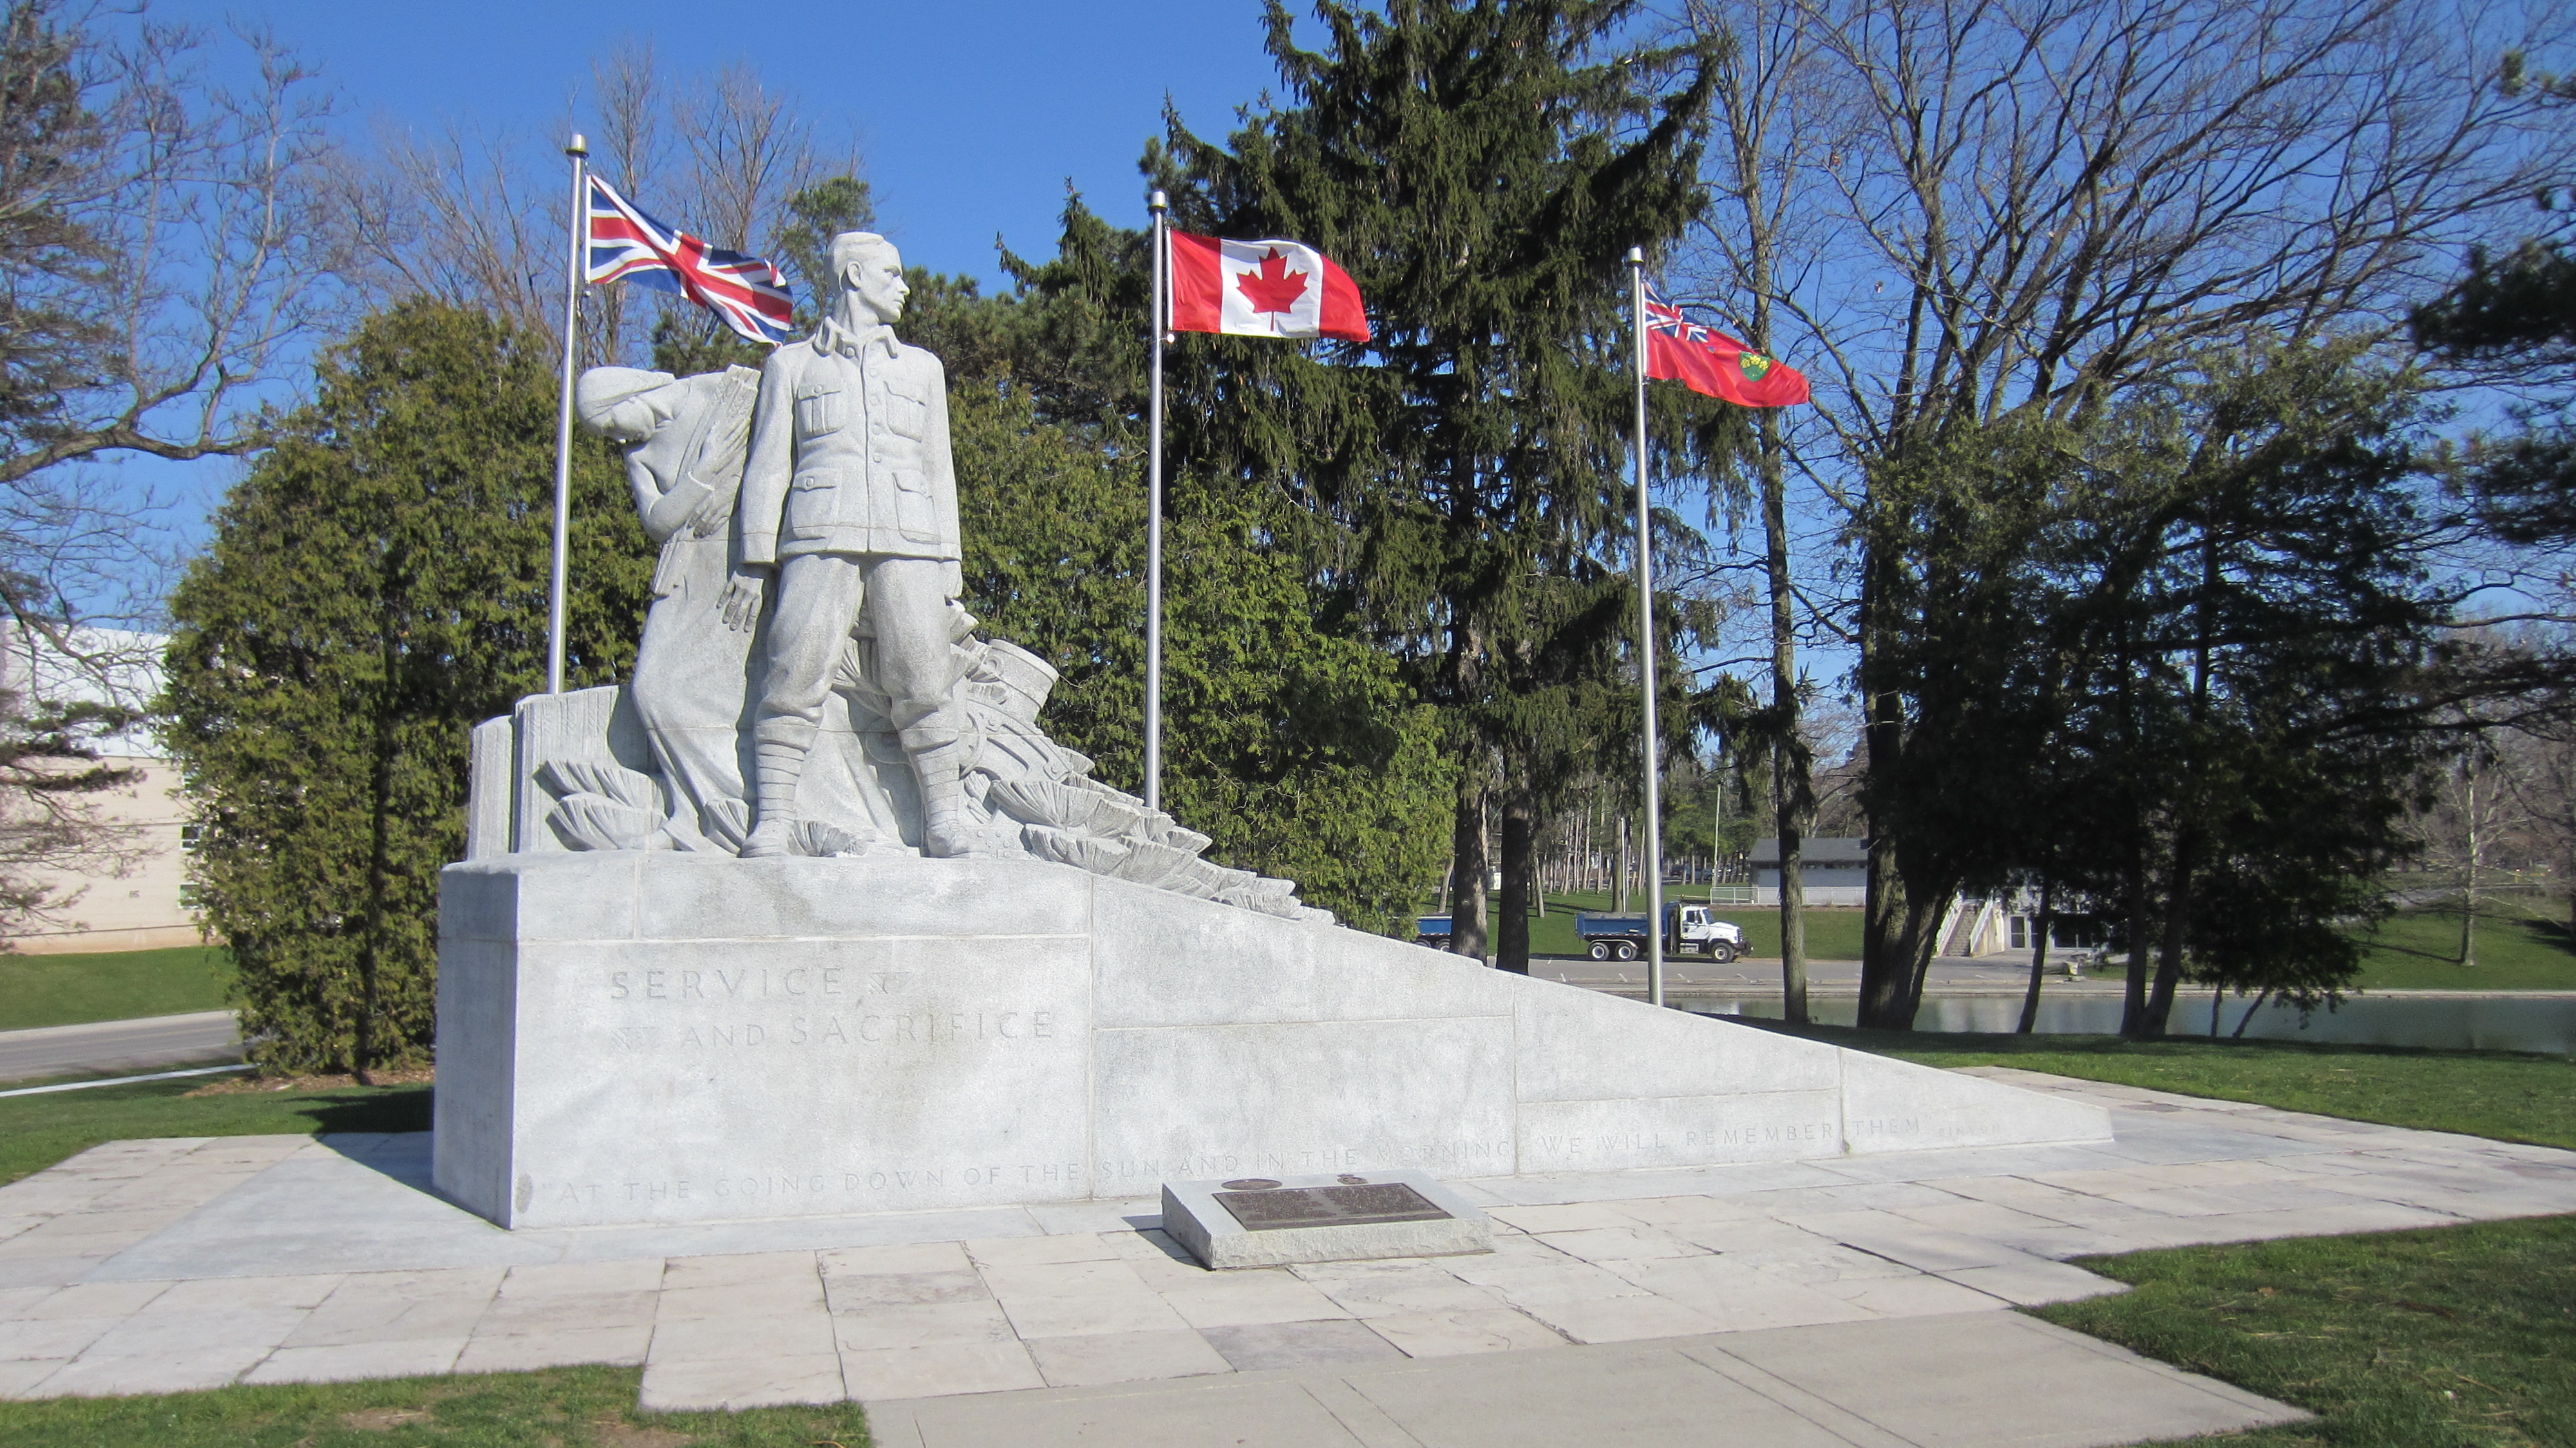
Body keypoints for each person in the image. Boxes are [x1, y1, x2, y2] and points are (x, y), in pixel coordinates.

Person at [724, 232, 977, 858]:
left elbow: (937, 467)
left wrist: (950, 560)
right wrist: (755, 559)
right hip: (820, 531)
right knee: (793, 668)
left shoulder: (922, 369)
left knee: (924, 673)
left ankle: (944, 816)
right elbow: (768, 464)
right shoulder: (791, 365)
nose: (904, 286)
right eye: (892, 274)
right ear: (855, 277)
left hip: (908, 536)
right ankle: (775, 818)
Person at [574, 364, 761, 851]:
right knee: (652, 689)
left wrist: (759, 566)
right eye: (606, 434)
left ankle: (734, 810)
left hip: (740, 565)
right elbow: (658, 520)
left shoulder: (730, 392)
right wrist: (702, 474)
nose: (616, 438)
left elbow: (777, 474)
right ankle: (692, 814)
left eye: (613, 423)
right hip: (684, 568)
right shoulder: (637, 452)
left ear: (629, 395)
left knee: (709, 695)